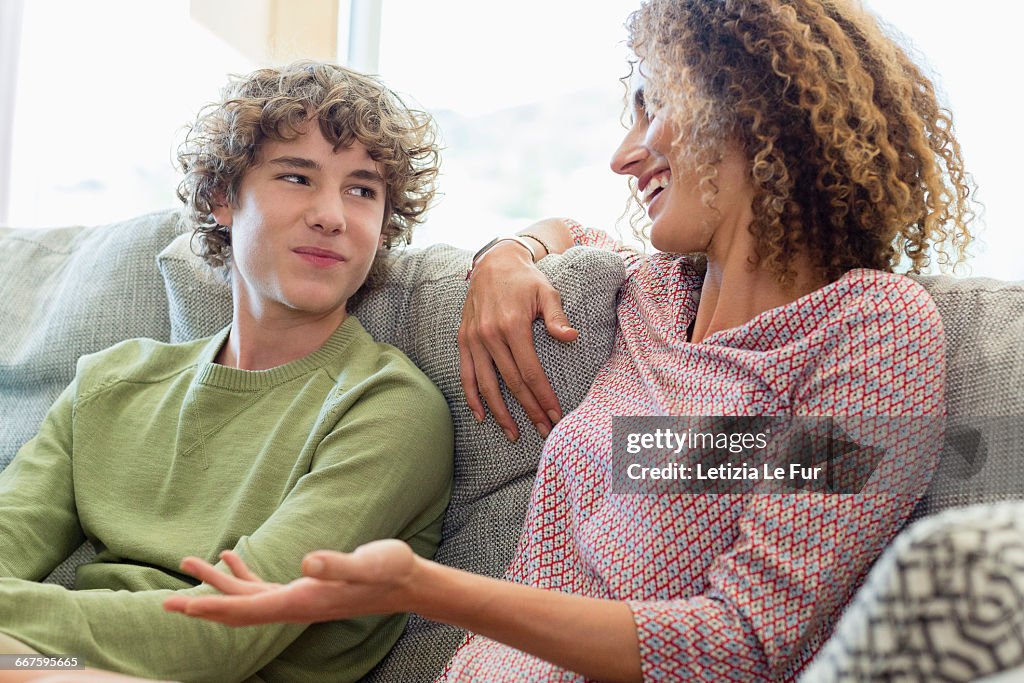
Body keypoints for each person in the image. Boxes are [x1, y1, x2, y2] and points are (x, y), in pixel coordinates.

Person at [161, 0, 975, 680]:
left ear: (756, 110)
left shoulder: (871, 334)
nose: (625, 154)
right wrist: (507, 254)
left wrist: (422, 587)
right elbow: (571, 230)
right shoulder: (653, 295)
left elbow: (745, 643)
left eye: (656, 107)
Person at [0, 61, 453, 682]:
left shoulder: (389, 407)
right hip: (46, 663)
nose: (332, 215)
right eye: (297, 176)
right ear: (222, 198)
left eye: (362, 189)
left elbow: (223, 636)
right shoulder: (109, 383)